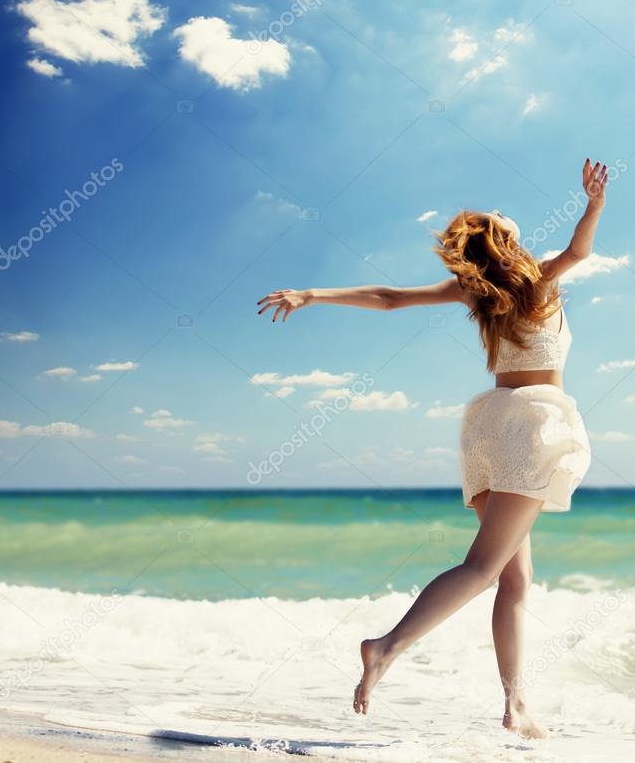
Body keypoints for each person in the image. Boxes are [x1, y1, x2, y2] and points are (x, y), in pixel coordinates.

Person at [256, 158, 610, 738]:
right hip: (533, 422)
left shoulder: (475, 291)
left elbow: (389, 298)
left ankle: (514, 705)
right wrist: (593, 204)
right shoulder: (540, 279)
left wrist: (312, 293)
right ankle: (386, 646)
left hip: (489, 427)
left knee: (513, 580)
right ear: (508, 242)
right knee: (483, 566)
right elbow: (580, 251)